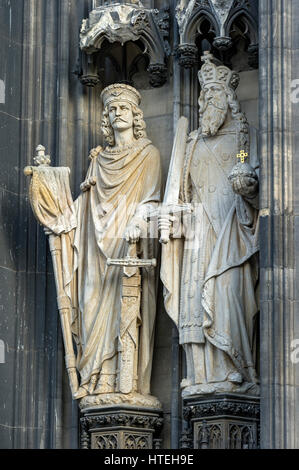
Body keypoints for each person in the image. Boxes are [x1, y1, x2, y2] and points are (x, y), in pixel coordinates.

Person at [28, 84, 162, 403]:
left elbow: (154, 200)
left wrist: (138, 221)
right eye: (112, 109)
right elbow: (83, 207)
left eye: (124, 109)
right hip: (93, 248)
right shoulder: (98, 160)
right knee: (90, 304)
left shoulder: (148, 155)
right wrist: (53, 202)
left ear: (135, 115)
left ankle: (121, 379)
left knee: (124, 307)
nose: (118, 113)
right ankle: (95, 376)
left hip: (128, 246)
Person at [160, 52, 259, 396]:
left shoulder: (242, 140)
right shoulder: (191, 144)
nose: (206, 105)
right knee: (192, 301)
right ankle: (200, 373)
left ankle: (235, 366)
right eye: (203, 99)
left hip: (230, 230)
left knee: (227, 295)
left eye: (213, 97)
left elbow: (249, 169)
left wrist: (247, 180)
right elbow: (179, 190)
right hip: (199, 233)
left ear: (229, 101)